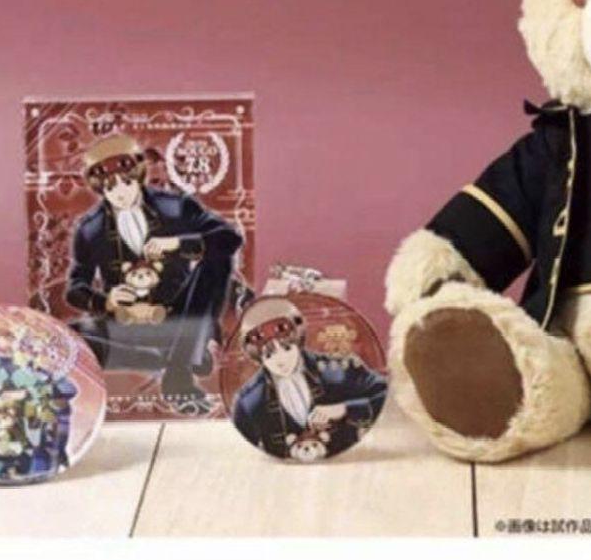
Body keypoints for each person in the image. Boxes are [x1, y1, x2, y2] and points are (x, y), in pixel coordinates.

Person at [66, 133, 243, 404]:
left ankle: (179, 370)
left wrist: (178, 243)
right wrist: (107, 302)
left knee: (218, 260)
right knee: (70, 339)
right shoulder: (90, 228)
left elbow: (230, 239)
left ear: (138, 176)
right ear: (100, 188)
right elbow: (75, 288)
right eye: (111, 187)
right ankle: (180, 357)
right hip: (128, 323)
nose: (121, 193)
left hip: (182, 319)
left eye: (127, 182)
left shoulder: (176, 206)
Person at [232, 297, 387, 459]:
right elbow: (242, 454)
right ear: (257, 356)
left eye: (287, 348)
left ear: (298, 340)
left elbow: (385, 397)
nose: (281, 360)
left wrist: (344, 409)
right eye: (269, 355)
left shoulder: (340, 370)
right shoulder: (249, 400)